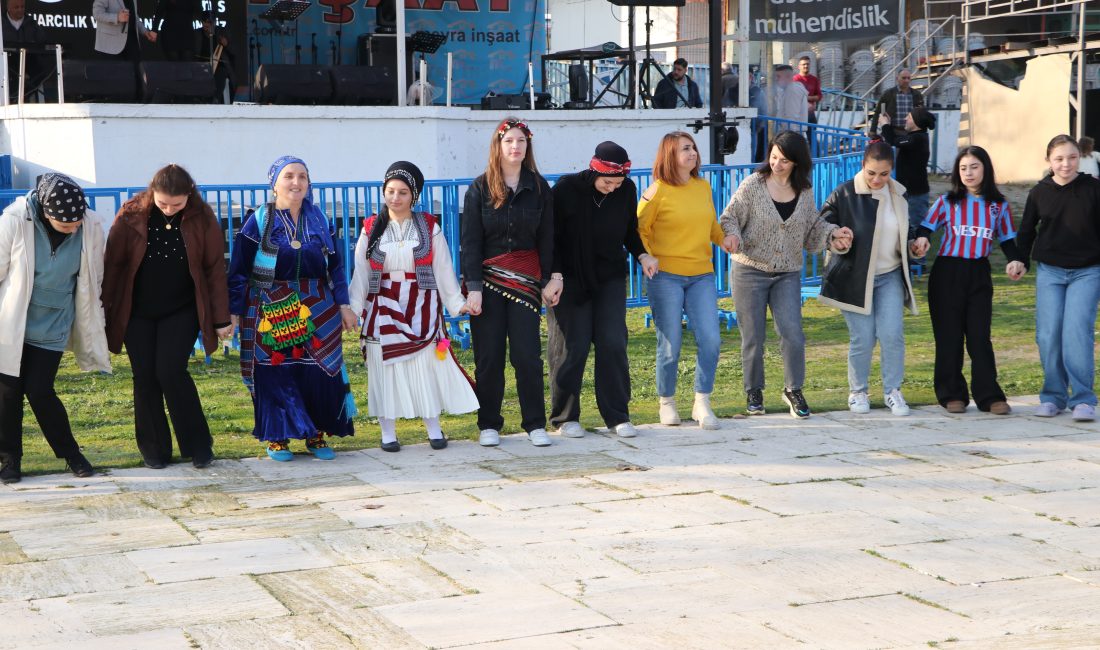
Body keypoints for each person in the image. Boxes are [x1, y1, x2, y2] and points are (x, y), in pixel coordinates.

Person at [228, 156, 359, 461]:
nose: (296, 182)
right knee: (276, 370)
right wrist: (234, 311)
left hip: (318, 306)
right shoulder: (259, 220)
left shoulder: (321, 221)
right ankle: (277, 436)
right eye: (288, 176)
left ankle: (316, 433)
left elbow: (336, 268)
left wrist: (344, 305)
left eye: (302, 176)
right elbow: (238, 271)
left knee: (318, 370)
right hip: (270, 305)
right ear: (274, 184)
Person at [102, 164, 231, 470]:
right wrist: (104, 308)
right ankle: (154, 449)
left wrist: (221, 317)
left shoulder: (203, 218)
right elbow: (113, 264)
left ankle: (199, 445)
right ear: (152, 194)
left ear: (190, 195)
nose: (170, 209)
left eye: (177, 204)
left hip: (181, 309)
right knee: (145, 377)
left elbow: (214, 269)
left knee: (171, 372)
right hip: (137, 312)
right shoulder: (131, 214)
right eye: (163, 204)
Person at [720, 132, 852, 419]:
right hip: (749, 270)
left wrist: (832, 234)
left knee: (793, 333)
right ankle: (753, 390)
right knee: (753, 336)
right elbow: (729, 217)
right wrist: (731, 236)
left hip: (787, 273)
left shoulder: (804, 190)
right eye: (774, 156)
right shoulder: (753, 185)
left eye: (784, 160)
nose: (777, 163)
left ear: (796, 162)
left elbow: (813, 226)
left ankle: (794, 389)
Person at [349, 161, 477, 452]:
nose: (395, 198)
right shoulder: (371, 227)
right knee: (385, 369)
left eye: (403, 192)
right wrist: (354, 308)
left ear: (414, 196)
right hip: (381, 305)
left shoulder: (429, 226)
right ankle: (388, 433)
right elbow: (361, 272)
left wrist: (456, 303)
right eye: (390, 191)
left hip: (421, 304)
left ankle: (433, 428)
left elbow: (443, 267)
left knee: (424, 366)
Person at [0, 174, 110, 484]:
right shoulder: (14, 220)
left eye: (76, 222)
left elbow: (94, 277)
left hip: (55, 321)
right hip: (13, 320)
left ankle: (71, 454)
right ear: (46, 214)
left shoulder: (90, 225)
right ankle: (10, 460)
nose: (73, 228)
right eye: (65, 225)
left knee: (40, 391)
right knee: (7, 394)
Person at [548, 142, 653, 440]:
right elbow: (551, 238)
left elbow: (630, 230)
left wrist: (643, 255)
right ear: (594, 170)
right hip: (569, 278)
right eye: (607, 182)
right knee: (573, 345)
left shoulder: (627, 190)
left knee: (612, 342)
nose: (612, 188)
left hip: (609, 276)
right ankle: (565, 417)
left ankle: (617, 415)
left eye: (617, 183)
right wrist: (554, 276)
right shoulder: (566, 190)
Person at [461, 117, 555, 448]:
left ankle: (534, 424)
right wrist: (473, 287)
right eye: (509, 141)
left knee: (527, 355)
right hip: (486, 285)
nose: (515, 147)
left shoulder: (539, 187)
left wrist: (550, 278)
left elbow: (548, 239)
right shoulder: (479, 188)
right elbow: (470, 242)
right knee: (489, 356)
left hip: (526, 283)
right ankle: (489, 423)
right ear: (498, 146)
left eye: (521, 141)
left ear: (528, 146)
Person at [911, 147, 1021, 415]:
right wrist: (921, 240)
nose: (968, 173)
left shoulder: (999, 205)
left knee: (979, 337)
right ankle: (951, 394)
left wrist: (1016, 260)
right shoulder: (947, 201)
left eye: (974, 167)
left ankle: (989, 396)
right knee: (949, 336)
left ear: (985, 168)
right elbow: (925, 228)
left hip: (979, 274)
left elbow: (1007, 239)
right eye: (963, 168)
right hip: (948, 273)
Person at [638, 131, 734, 429]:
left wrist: (725, 239)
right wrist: (646, 256)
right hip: (665, 277)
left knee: (711, 339)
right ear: (669, 156)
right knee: (671, 344)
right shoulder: (656, 191)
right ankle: (666, 402)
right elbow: (638, 230)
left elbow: (711, 226)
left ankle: (701, 402)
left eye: (692, 147)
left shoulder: (702, 187)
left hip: (701, 275)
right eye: (684, 149)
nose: (692, 153)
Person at [819, 141, 918, 416]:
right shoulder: (844, 193)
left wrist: (914, 244)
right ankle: (858, 391)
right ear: (863, 165)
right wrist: (835, 238)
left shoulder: (899, 194)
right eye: (872, 172)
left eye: (884, 174)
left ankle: (893, 391)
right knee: (862, 338)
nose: (877, 179)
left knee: (892, 335)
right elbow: (823, 225)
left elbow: (906, 231)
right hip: (854, 278)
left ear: (891, 171)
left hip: (890, 276)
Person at [1015, 134, 1100, 421]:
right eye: (1059, 159)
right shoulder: (1040, 192)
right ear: (1049, 161)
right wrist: (1019, 259)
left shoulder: (1093, 188)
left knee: (1076, 332)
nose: (1066, 164)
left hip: (1087, 271)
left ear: (1080, 158)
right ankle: (1053, 396)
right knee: (1048, 334)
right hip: (1050, 271)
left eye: (1072, 157)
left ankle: (1083, 399)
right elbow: (1026, 231)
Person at [879, 106, 936, 272]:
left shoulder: (918, 138)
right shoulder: (914, 137)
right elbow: (896, 139)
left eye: (909, 117)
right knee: (906, 225)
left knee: (917, 225)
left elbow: (894, 141)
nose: (905, 119)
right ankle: (911, 258)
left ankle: (919, 262)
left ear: (917, 122)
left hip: (916, 193)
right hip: (908, 192)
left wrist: (885, 125)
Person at [870, 69, 923, 138]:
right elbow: (879, 112)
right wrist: (873, 130)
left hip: (911, 133)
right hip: (893, 132)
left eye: (908, 78)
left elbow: (921, 113)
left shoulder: (916, 95)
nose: (906, 81)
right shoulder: (888, 94)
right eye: (904, 78)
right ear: (897, 78)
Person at [770, 65, 808, 132]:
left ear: (788, 76)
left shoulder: (792, 89)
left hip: (791, 136)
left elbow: (792, 118)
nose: (776, 79)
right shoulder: (788, 89)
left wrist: (788, 137)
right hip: (790, 134)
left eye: (778, 76)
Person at [793, 56, 822, 124]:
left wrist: (807, 97)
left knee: (812, 133)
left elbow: (819, 96)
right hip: (797, 113)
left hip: (810, 113)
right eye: (803, 64)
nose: (806, 66)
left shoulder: (814, 79)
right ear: (799, 66)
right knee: (797, 134)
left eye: (807, 64)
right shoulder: (794, 80)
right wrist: (811, 99)